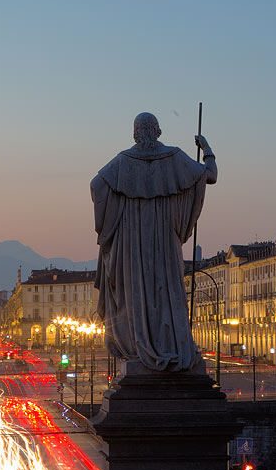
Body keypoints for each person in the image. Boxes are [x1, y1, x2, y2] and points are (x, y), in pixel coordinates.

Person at [91, 112, 217, 373]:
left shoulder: (123, 161)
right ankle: (172, 343)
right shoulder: (175, 158)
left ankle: (140, 346)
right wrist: (206, 148)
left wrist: (111, 221)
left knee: (136, 292)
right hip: (165, 242)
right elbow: (210, 175)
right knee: (168, 290)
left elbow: (96, 185)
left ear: (135, 133)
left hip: (132, 242)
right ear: (158, 131)